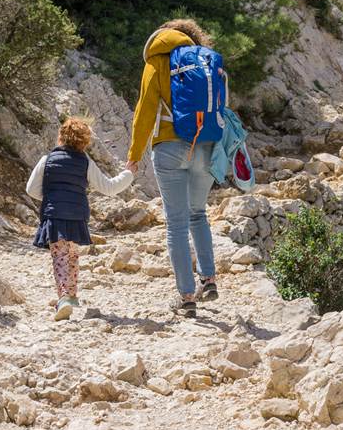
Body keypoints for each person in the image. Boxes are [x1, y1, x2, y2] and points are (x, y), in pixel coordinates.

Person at [126, 19, 222, 316]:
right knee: (198, 214)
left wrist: (134, 154)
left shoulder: (156, 60)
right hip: (205, 146)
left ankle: (186, 297)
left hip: (169, 146)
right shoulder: (206, 61)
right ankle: (208, 279)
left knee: (177, 224)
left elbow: (145, 110)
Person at [27, 117, 134, 320]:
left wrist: (51, 197)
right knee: (72, 254)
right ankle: (71, 296)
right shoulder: (85, 162)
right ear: (84, 142)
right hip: (77, 215)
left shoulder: (46, 160)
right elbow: (109, 188)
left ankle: (64, 298)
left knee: (59, 256)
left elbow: (31, 189)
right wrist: (129, 173)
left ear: (61, 137)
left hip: (54, 214)